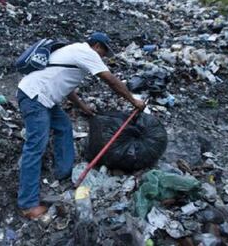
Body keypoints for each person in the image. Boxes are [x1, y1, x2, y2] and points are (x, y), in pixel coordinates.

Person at [16, 32, 146, 219]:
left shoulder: (74, 53)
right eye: (103, 53)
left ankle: (64, 172)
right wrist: (134, 101)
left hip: (42, 98)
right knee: (35, 146)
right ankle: (27, 205)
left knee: (64, 126)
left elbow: (67, 88)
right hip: (35, 97)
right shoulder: (86, 52)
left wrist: (84, 107)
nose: (102, 57)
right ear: (97, 46)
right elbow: (110, 79)